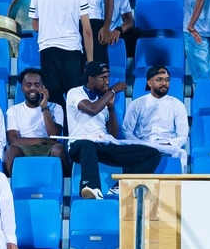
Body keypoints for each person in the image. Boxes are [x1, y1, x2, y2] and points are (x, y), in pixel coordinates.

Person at [67, 61, 160, 200]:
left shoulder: (104, 100)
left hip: (102, 144)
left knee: (152, 154)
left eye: (108, 77)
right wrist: (112, 91)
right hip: (80, 145)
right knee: (87, 144)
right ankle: (91, 188)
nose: (107, 82)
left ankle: (121, 187)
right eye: (102, 78)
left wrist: (111, 108)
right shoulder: (75, 92)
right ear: (91, 79)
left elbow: (114, 134)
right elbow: (92, 109)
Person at [29, 0, 93, 124]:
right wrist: (90, 61)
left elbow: (35, 26)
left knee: (54, 100)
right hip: (72, 51)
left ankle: (58, 135)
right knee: (74, 98)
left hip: (48, 51)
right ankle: (74, 135)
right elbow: (87, 30)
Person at [120, 65, 188, 165]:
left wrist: (171, 143)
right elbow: (126, 131)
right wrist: (141, 144)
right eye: (159, 79)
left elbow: (183, 135)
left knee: (181, 153)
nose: (164, 83)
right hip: (143, 145)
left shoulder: (177, 105)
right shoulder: (137, 104)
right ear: (150, 83)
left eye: (167, 80)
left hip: (167, 145)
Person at [4, 69, 63, 175]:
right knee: (11, 151)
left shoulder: (56, 108)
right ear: (22, 87)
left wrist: (44, 107)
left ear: (43, 87)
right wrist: (43, 140)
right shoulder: (13, 110)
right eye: (28, 85)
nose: (32, 88)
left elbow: (54, 136)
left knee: (58, 150)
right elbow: (14, 140)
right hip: (24, 147)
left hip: (49, 147)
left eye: (37, 85)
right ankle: (11, 183)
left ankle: (64, 183)